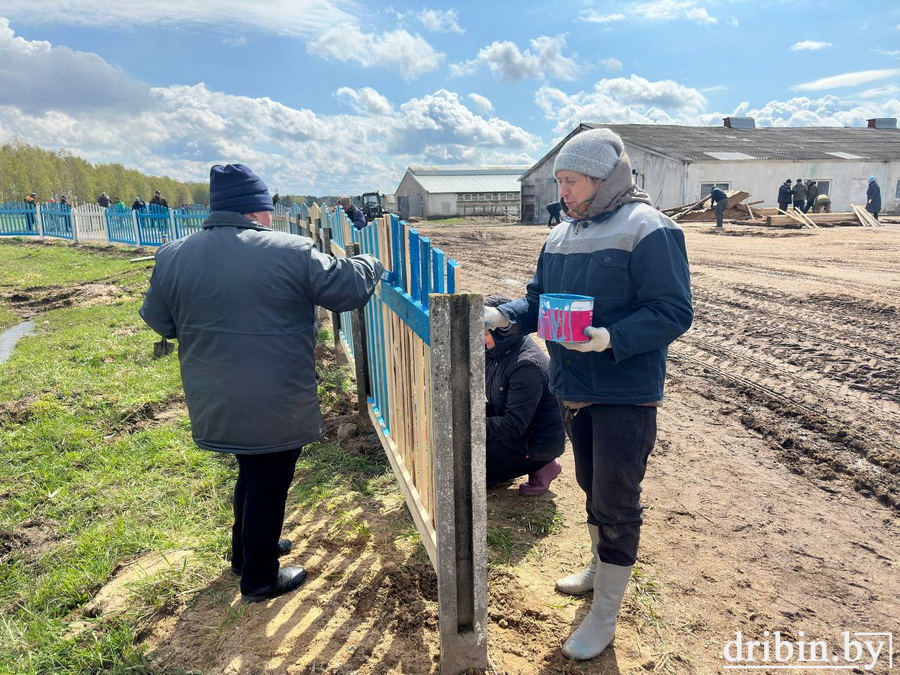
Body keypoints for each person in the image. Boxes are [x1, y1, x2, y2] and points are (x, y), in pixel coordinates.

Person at [483, 128, 692, 661]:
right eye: (559, 182)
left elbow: (672, 310)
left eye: (570, 181)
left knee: (617, 500)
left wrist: (611, 338)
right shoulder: (560, 235)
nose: (563, 192)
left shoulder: (650, 229)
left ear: (602, 178)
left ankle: (605, 616)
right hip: (573, 387)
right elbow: (538, 301)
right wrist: (504, 316)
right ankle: (600, 568)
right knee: (589, 485)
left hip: (625, 391)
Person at [140, 164, 383, 603]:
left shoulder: (173, 254)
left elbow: (159, 320)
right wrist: (371, 260)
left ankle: (247, 551)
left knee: (251, 471)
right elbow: (346, 289)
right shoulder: (289, 250)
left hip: (213, 392)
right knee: (269, 480)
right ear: (258, 210)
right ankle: (259, 578)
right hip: (274, 396)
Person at [483, 294, 565, 496]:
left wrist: (468, 426)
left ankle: (543, 465)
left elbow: (514, 424)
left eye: (484, 332)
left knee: (462, 468)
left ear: (503, 330)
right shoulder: (495, 351)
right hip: (515, 435)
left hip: (532, 445)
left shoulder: (526, 365)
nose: (480, 338)